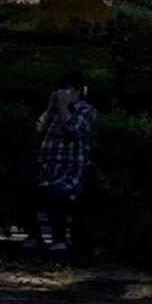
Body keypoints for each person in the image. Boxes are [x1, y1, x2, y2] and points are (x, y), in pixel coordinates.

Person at [33, 79, 96, 254]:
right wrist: (49, 106)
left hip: (71, 173)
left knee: (55, 193)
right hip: (46, 170)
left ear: (78, 92)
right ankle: (34, 236)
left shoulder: (86, 111)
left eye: (67, 91)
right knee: (22, 188)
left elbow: (74, 130)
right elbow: (39, 129)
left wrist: (63, 107)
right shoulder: (53, 110)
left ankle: (59, 240)